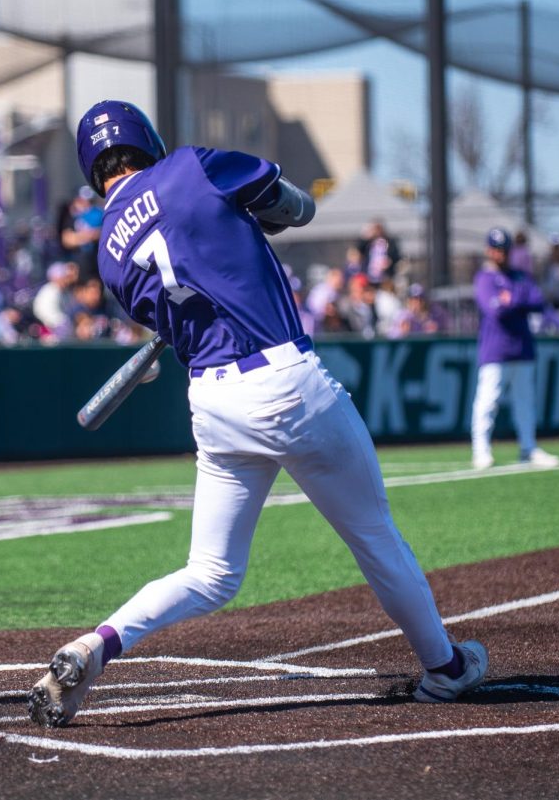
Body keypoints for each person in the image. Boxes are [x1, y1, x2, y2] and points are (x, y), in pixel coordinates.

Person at [29, 100, 487, 729]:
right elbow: (298, 206)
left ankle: (96, 645)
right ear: (147, 140)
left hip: (214, 403)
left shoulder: (108, 251)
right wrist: (252, 218)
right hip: (285, 380)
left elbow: (179, 314)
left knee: (210, 573)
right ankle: (446, 668)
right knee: (374, 535)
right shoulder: (191, 166)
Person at [471, 227, 559, 470]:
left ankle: (528, 448)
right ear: (488, 251)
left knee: (525, 402)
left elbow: (537, 301)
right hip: (495, 350)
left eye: (503, 250)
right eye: (495, 249)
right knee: (488, 401)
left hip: (522, 348)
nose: (499, 254)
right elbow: (495, 310)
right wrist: (517, 301)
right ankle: (481, 450)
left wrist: (513, 299)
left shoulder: (520, 276)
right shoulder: (484, 278)